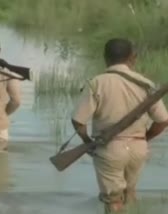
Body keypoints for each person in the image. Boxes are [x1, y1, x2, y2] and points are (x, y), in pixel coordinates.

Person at [71, 38, 168, 213]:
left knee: (113, 201)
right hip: (138, 148)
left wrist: (87, 142)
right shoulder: (146, 84)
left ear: (105, 57)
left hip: (110, 148)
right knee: (130, 194)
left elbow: (78, 120)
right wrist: (145, 138)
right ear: (133, 58)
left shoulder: (97, 82)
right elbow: (163, 121)